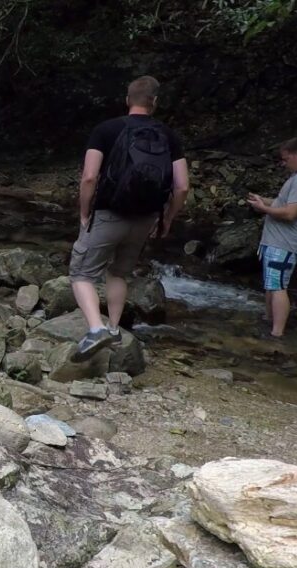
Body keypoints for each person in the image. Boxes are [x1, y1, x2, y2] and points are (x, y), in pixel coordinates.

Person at [69, 76, 189, 361]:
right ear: (155, 102)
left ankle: (95, 329)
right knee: (119, 272)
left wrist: (85, 210)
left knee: (81, 273)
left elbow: (89, 177)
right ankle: (113, 328)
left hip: (110, 212)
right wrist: (168, 218)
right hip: (146, 217)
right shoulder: (168, 135)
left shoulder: (106, 130)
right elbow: (182, 186)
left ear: (127, 100)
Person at [247, 137, 297, 339]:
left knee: (278, 285)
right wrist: (264, 201)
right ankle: (268, 320)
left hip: (285, 242)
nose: (283, 163)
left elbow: (291, 213)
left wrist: (263, 209)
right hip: (276, 240)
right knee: (271, 283)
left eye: (286, 159)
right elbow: (284, 203)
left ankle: (276, 333)